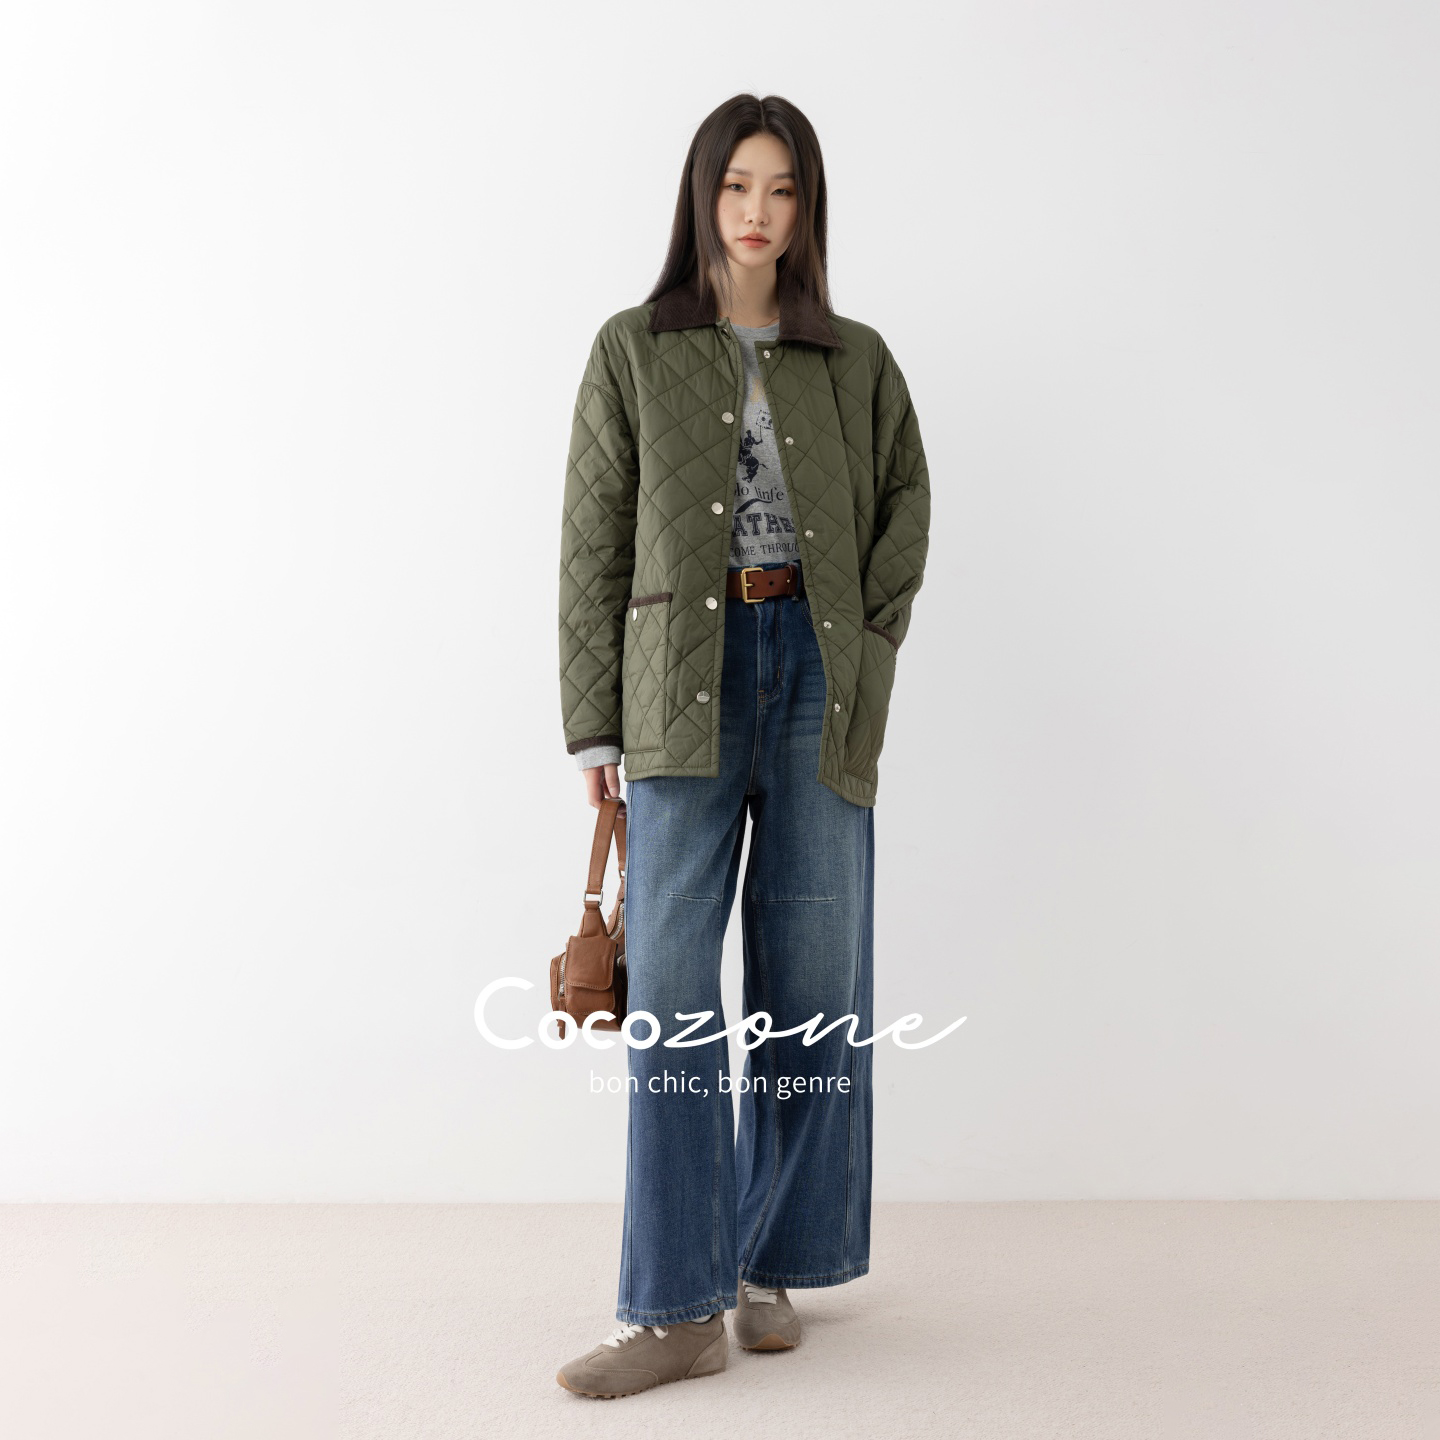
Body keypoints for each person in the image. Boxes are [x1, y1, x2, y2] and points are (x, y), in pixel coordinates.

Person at [554, 92, 931, 1398]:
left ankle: (771, 1264)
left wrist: (865, 645)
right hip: (680, 680)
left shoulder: (856, 358)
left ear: (806, 207)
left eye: (781, 189)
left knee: (812, 983)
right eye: (736, 187)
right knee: (670, 992)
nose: (757, 213)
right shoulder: (634, 348)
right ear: (701, 196)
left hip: (816, 675)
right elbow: (593, 538)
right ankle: (673, 1308)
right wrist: (594, 723)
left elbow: (905, 503)